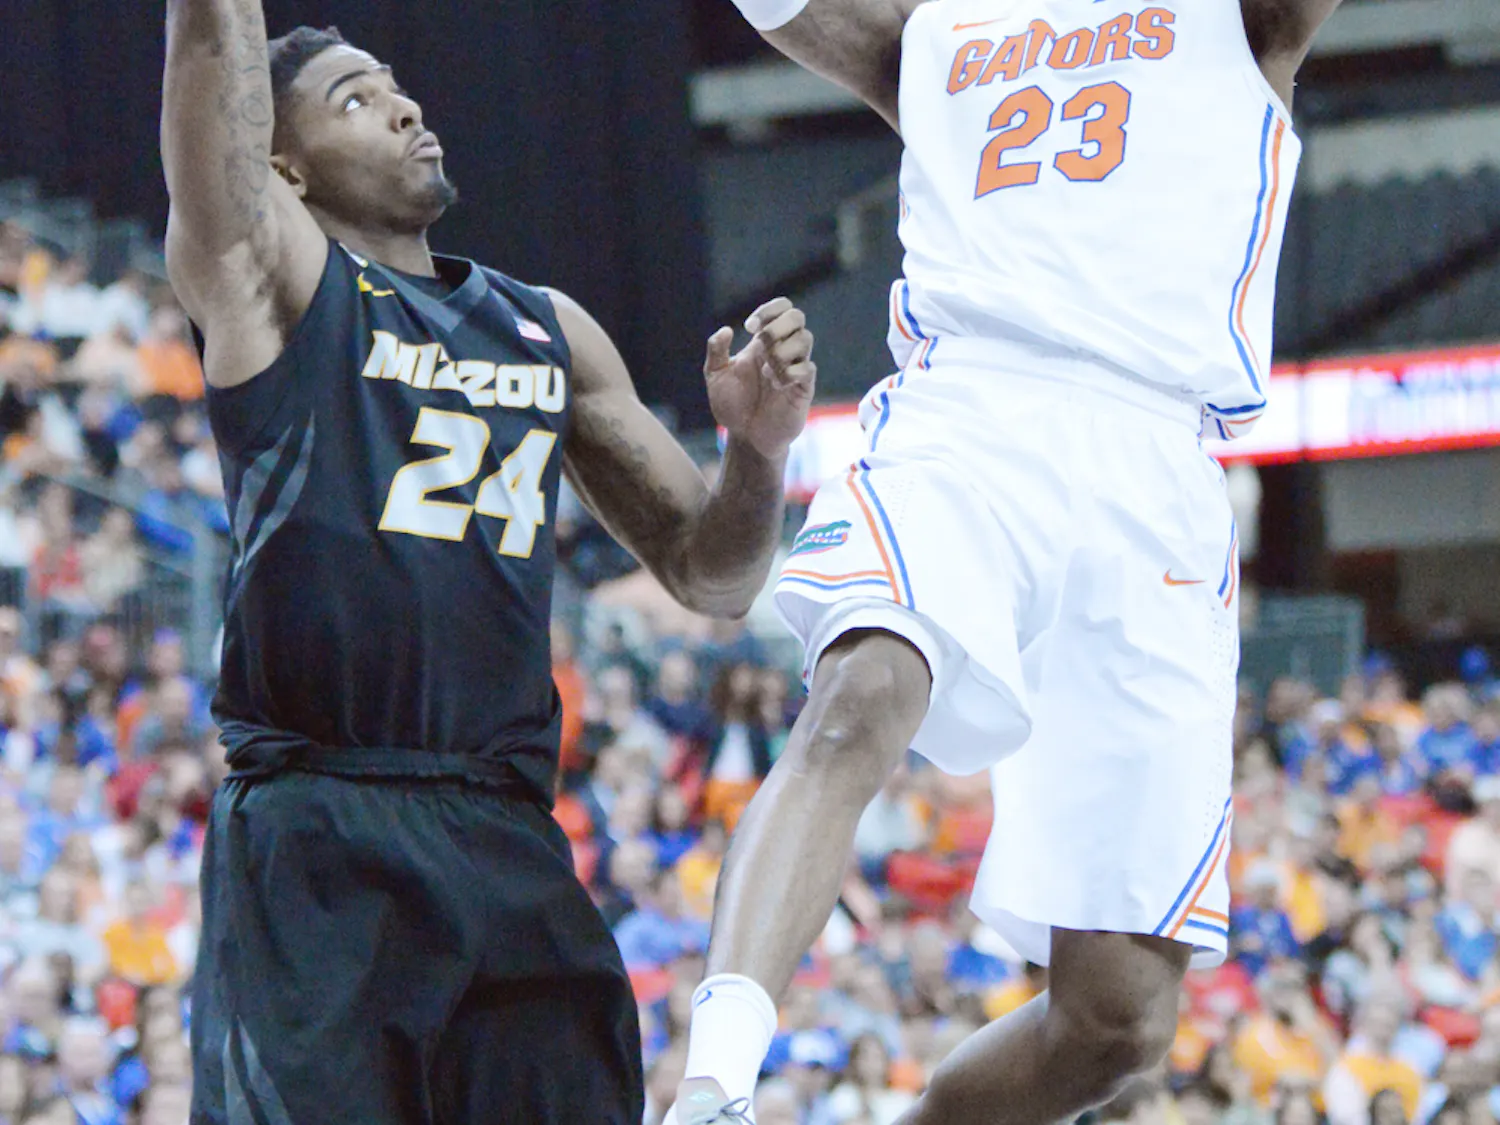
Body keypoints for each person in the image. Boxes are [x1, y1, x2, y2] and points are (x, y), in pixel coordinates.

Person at [667, 0, 1347, 1120]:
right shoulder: (928, 29)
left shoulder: (1236, 14)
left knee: (1117, 1022)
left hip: (1157, 458)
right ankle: (711, 1089)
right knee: (862, 691)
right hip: (969, 410)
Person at [159, 8, 818, 1123]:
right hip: (325, 832)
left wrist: (757, 455)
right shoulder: (276, 286)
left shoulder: (545, 328)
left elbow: (714, 578)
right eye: (355, 100)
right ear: (282, 167)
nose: (403, 107)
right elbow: (211, 60)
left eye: (394, 85)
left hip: (507, 833)